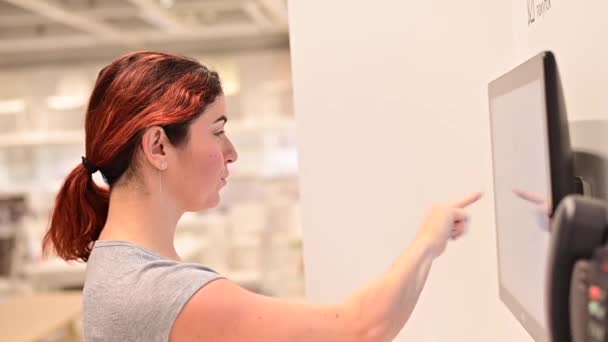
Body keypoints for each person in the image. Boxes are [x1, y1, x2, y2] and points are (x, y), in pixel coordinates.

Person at [43, 51, 482, 342]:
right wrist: (429, 238)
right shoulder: (154, 290)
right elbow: (361, 327)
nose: (231, 153)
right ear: (158, 147)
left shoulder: (119, 263)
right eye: (217, 131)